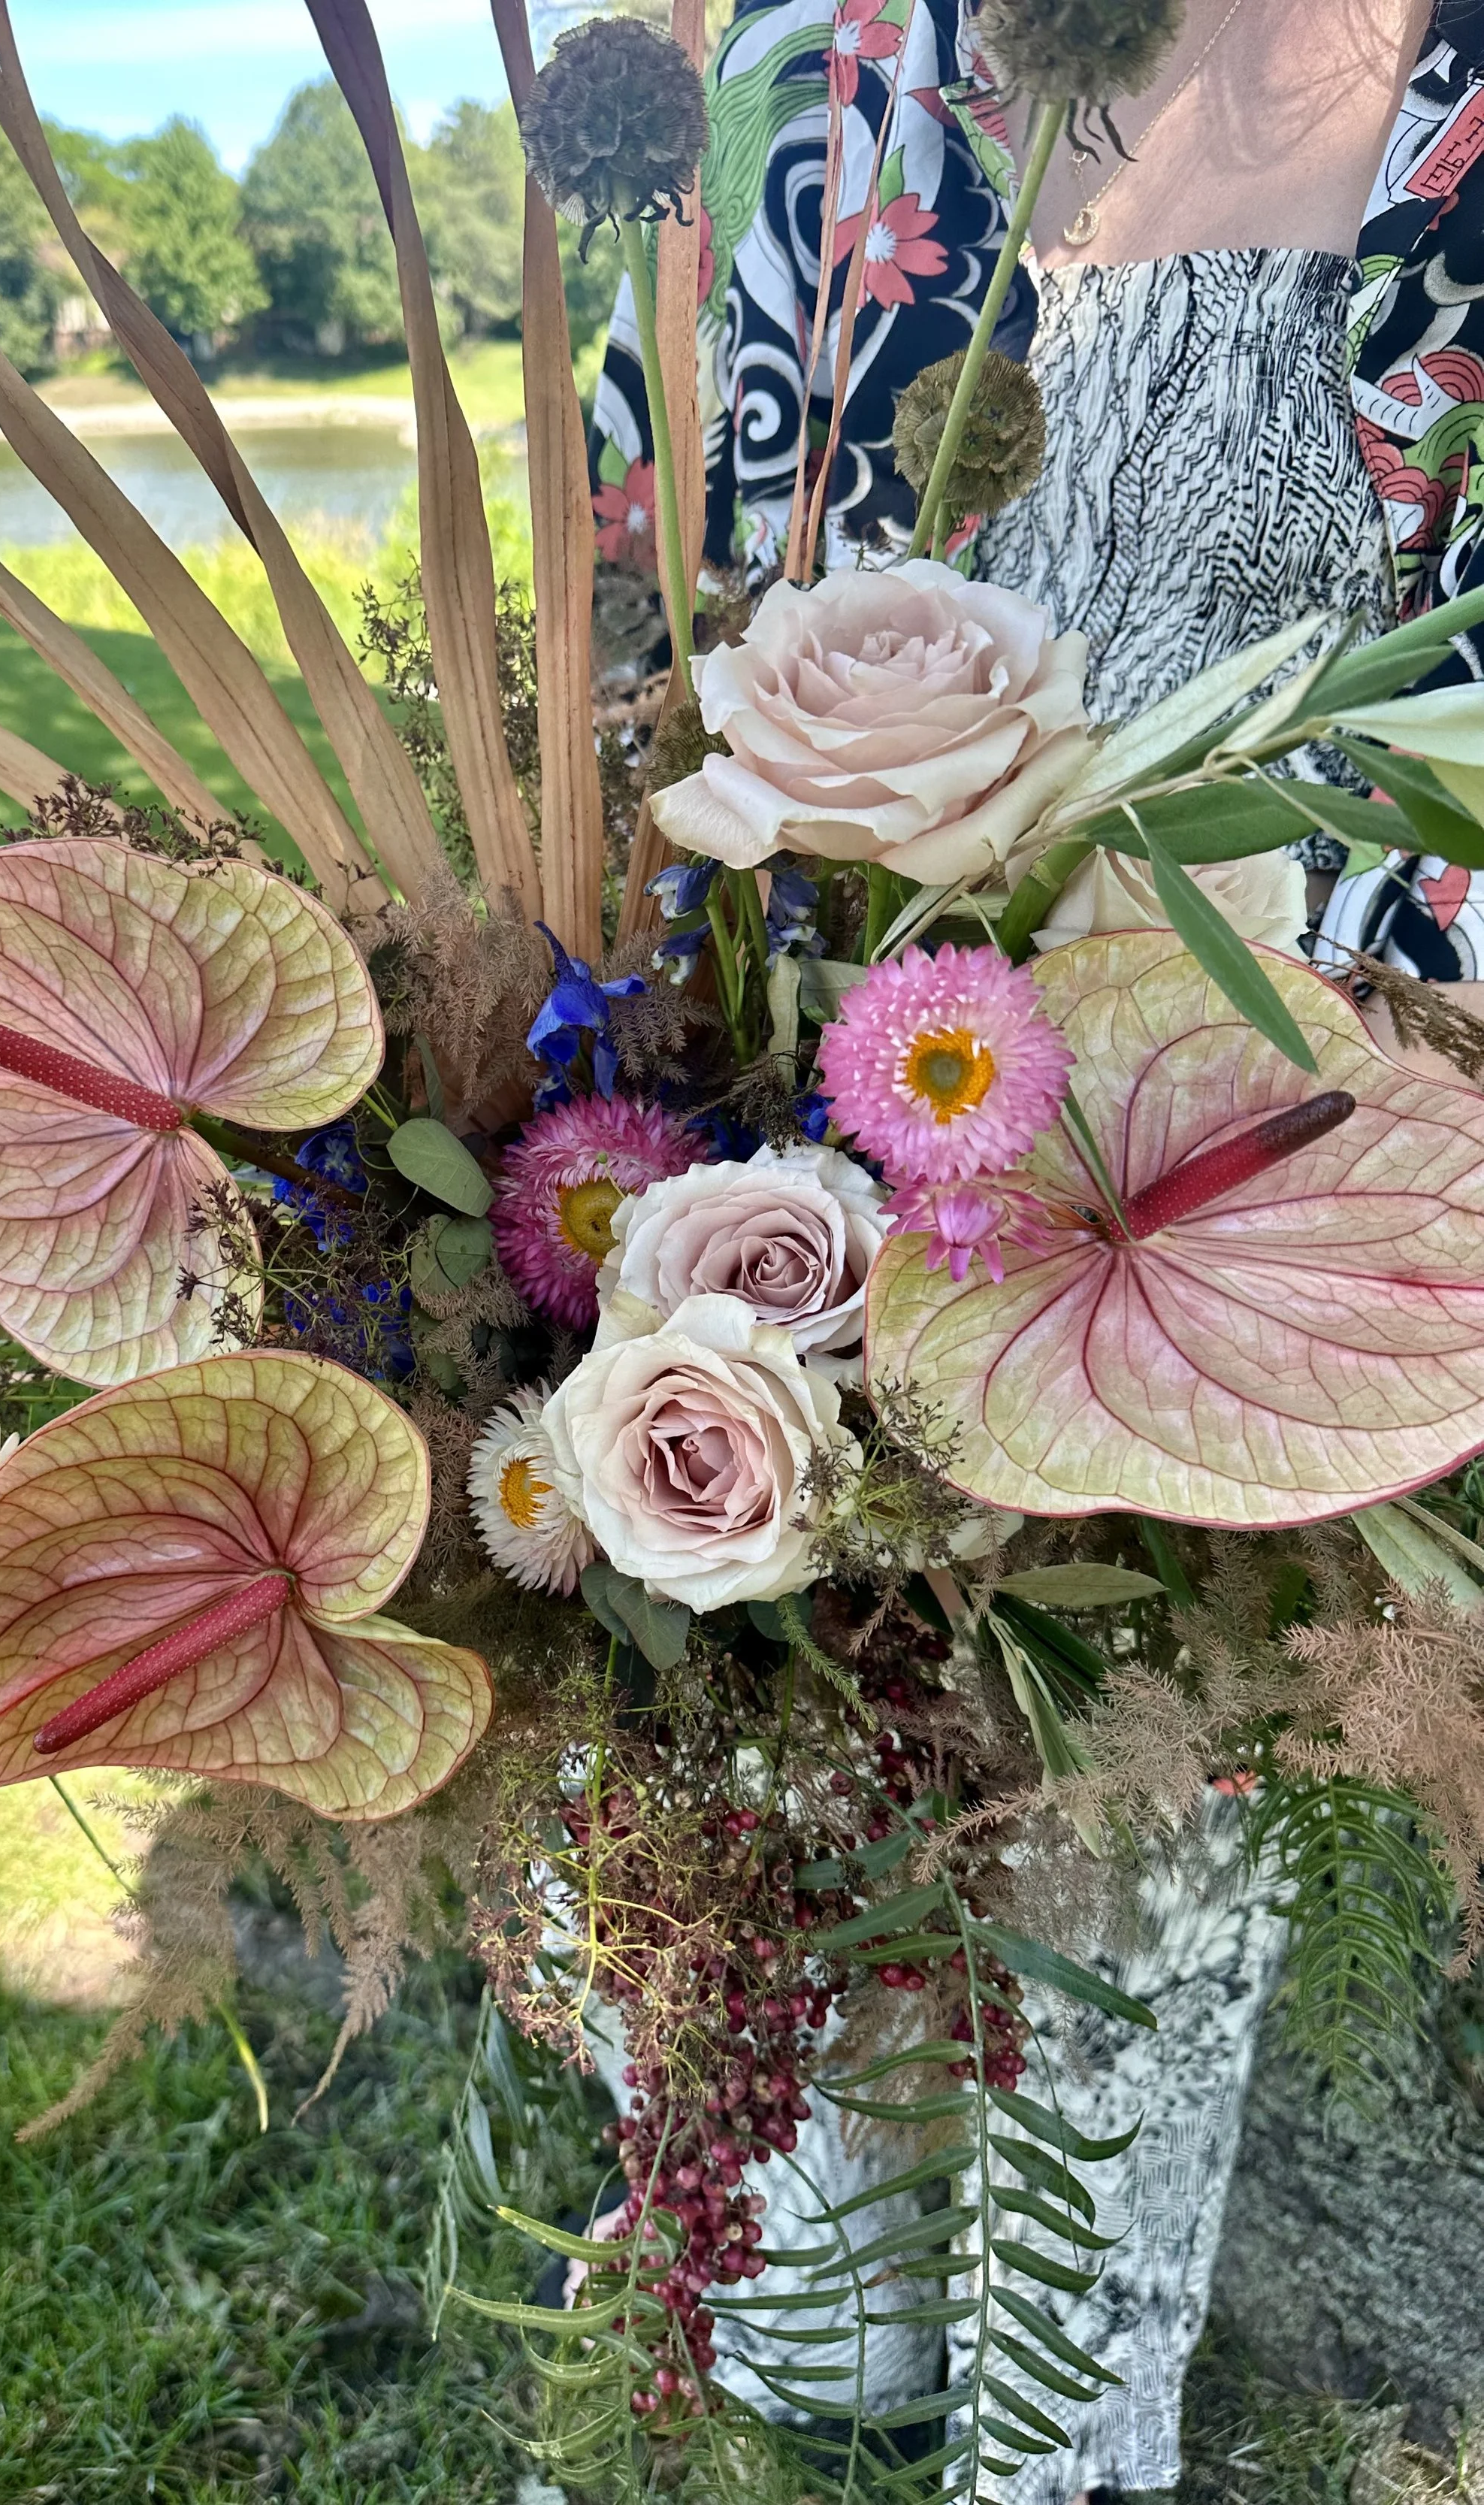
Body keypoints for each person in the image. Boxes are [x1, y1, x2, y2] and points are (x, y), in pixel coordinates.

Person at [587, 1, 1484, 2490]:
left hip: (1270, 1221)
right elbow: (621, 610)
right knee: (764, 1939)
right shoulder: (830, 75)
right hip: (795, 1153)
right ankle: (792, 2338)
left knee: (1120, 1919)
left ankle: (1049, 2415)